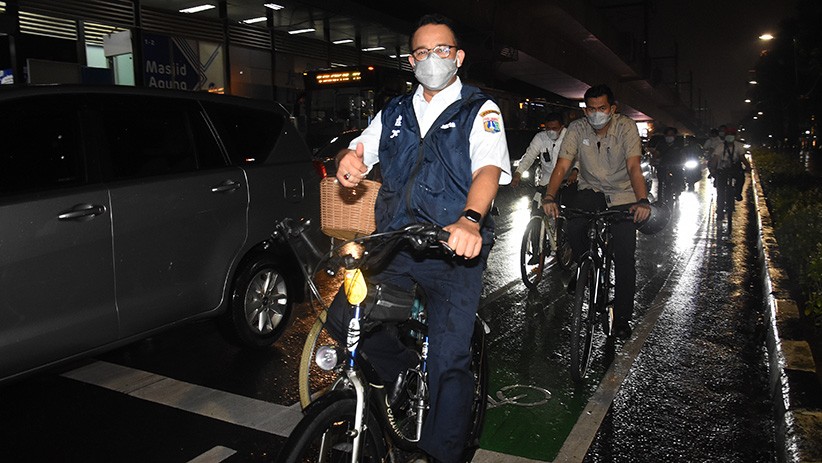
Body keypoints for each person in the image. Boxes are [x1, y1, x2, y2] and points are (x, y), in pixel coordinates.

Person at [333, 14, 510, 463]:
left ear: (458, 57)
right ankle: (404, 368)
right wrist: (347, 161)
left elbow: (487, 169)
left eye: (442, 50)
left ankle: (440, 454)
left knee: (449, 360)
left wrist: (470, 220)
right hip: (394, 241)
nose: (433, 59)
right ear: (412, 60)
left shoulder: (479, 109)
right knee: (344, 320)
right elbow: (359, 149)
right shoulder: (393, 110)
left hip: (453, 250)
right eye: (423, 52)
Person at [541, 84, 650, 340]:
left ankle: (622, 317)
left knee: (624, 258)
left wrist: (642, 200)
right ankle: (586, 265)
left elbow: (634, 167)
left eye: (601, 108)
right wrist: (549, 196)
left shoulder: (626, 127)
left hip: (624, 194)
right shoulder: (578, 129)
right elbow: (563, 165)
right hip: (592, 190)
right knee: (574, 226)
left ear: (612, 109)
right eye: (590, 109)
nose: (596, 114)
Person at [510, 112, 578, 194]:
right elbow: (529, 156)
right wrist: (518, 173)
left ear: (562, 127)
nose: (551, 131)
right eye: (548, 128)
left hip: (567, 182)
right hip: (546, 182)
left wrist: (575, 171)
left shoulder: (570, 137)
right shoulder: (540, 137)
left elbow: (580, 157)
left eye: (554, 128)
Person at [708, 126, 750, 218]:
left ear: (735, 136)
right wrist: (713, 169)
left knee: (741, 178)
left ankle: (738, 193)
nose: (730, 136)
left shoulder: (739, 146)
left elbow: (743, 158)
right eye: (728, 134)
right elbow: (715, 159)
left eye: (732, 134)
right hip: (722, 170)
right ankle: (719, 211)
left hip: (735, 169)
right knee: (721, 191)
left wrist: (748, 167)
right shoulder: (720, 146)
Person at [649, 127, 684, 203]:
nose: (669, 136)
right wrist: (654, 160)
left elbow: (683, 156)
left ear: (674, 136)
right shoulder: (661, 144)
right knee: (661, 181)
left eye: (671, 134)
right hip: (663, 165)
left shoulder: (679, 145)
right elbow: (656, 154)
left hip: (675, 166)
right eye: (667, 135)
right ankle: (660, 200)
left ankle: (678, 189)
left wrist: (682, 163)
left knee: (679, 177)